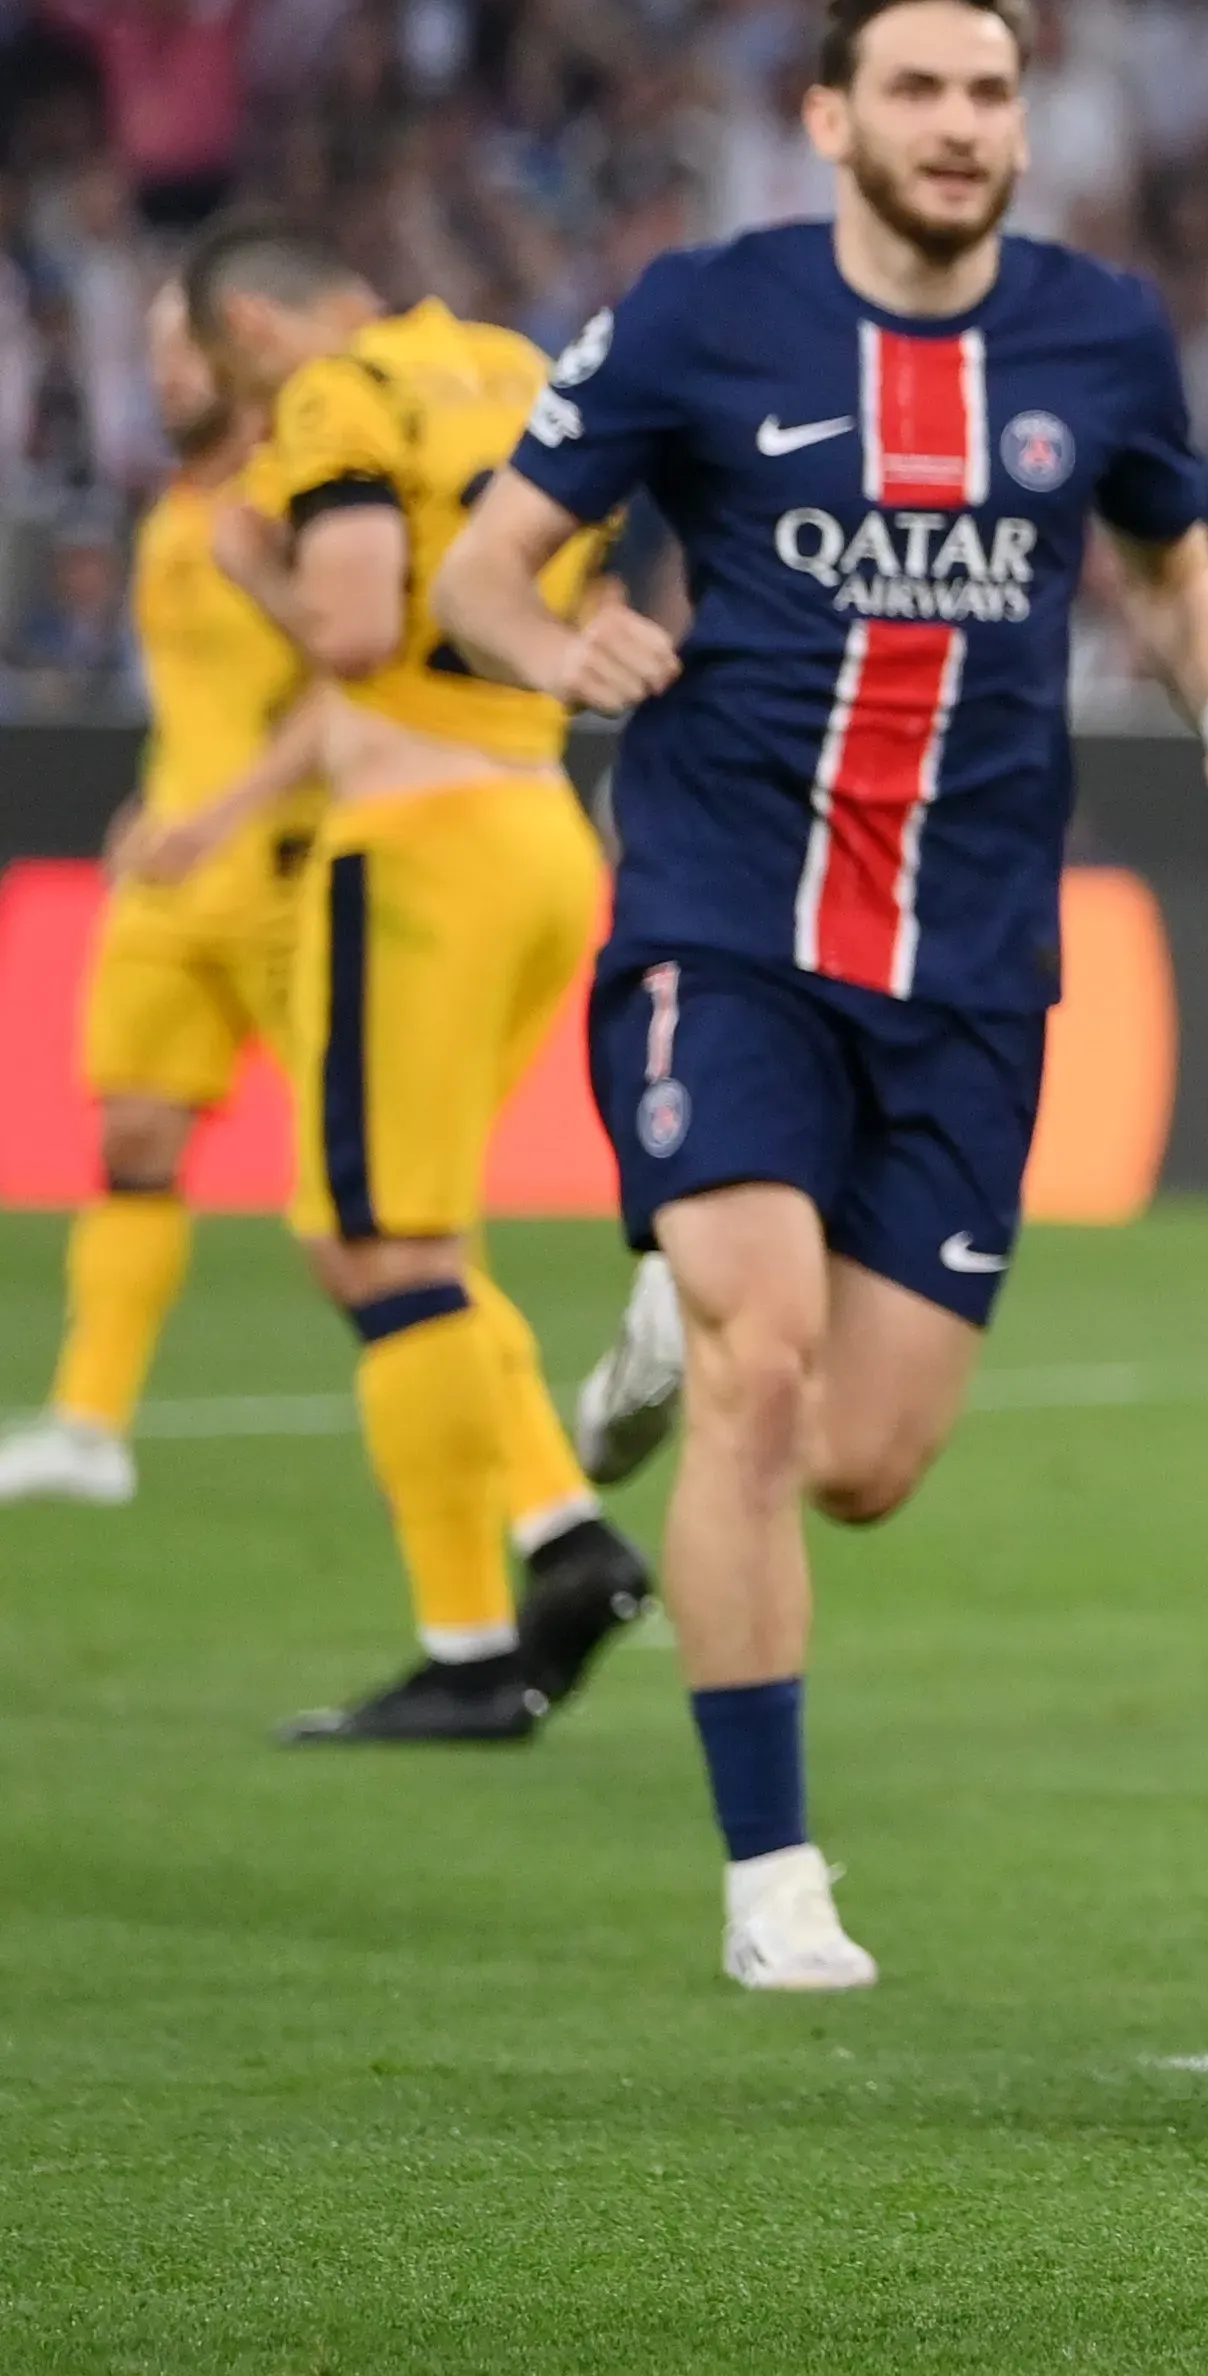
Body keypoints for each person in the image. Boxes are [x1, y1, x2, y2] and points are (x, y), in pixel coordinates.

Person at [434, 0, 1208, 1987]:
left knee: (858, 1463)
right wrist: (562, 644)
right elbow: (479, 569)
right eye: (916, 89)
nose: (957, 125)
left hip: (971, 958)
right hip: (725, 917)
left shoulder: (1101, 334)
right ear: (829, 118)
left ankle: (660, 1328)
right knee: (765, 1368)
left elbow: (1175, 570)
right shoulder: (702, 314)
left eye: (989, 92)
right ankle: (773, 1878)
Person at [178, 223, 662, 1743]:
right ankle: (547, 1553)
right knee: (401, 1239)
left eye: (226, 362)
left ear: (257, 323)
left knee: (376, 1242)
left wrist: (257, 564)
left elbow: (354, 623)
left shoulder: (342, 393)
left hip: (415, 841)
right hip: (538, 826)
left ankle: (486, 1629)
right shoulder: (519, 370)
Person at [0, 281, 314, 1506]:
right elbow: (205, 700)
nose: (166, 372)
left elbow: (352, 684)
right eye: (155, 349)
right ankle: (90, 1425)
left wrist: (226, 809)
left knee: (374, 1199)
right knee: (133, 1134)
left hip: (292, 868)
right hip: (172, 872)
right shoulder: (174, 506)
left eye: (185, 348)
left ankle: (532, 1486)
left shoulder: (301, 496)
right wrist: (157, 798)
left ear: (248, 349)